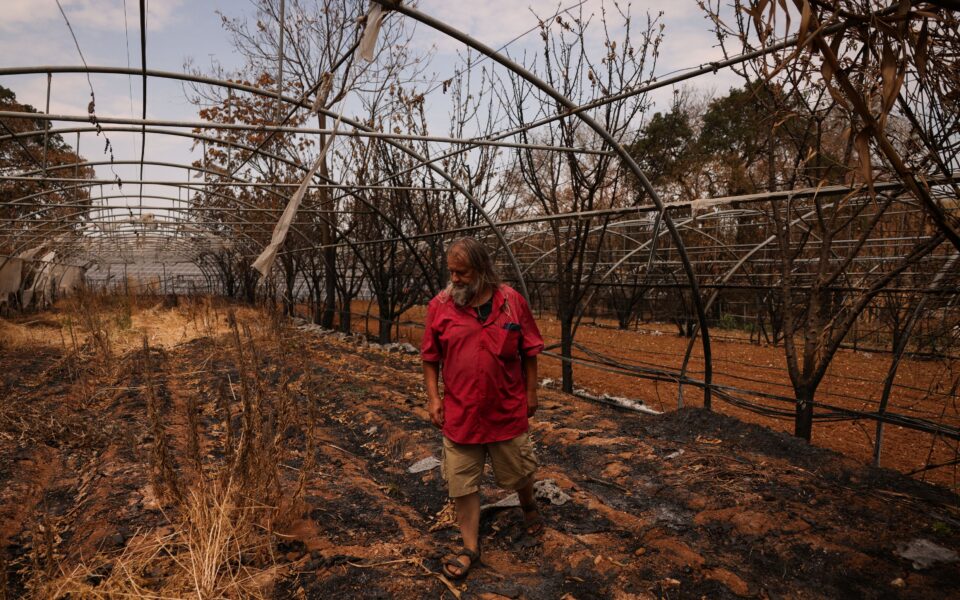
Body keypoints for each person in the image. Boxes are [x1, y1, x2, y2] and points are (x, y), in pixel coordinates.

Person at [421, 237, 545, 580]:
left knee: (519, 471)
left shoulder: (511, 302)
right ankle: (470, 547)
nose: (455, 279)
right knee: (462, 483)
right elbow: (430, 359)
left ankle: (529, 505)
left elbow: (530, 351)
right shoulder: (440, 306)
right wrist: (434, 399)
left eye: (462, 272)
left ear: (482, 271)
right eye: (451, 272)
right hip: (461, 412)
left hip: (505, 408)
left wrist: (531, 392)